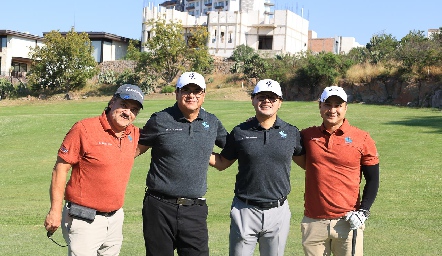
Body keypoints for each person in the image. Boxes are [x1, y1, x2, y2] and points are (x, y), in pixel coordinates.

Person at [44, 84, 144, 255]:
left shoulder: (133, 134)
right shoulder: (84, 129)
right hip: (84, 218)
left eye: (134, 110)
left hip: (115, 219)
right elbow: (60, 169)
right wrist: (54, 210)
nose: (128, 112)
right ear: (112, 102)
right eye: (124, 105)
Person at [209, 79, 305, 256]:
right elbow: (223, 163)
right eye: (261, 97)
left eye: (272, 98)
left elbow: (307, 163)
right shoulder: (240, 132)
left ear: (280, 102)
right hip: (245, 209)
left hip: (278, 211)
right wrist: (199, 149)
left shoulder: (291, 133)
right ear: (253, 99)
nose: (266, 101)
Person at [136, 71, 228, 256]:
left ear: (204, 95)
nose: (191, 95)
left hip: (194, 209)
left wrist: (203, 155)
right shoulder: (160, 119)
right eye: (186, 90)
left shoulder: (211, 122)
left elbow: (230, 152)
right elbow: (134, 151)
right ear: (176, 93)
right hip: (159, 207)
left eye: (197, 91)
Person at [294, 86, 380, 256]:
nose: (332, 110)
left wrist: (364, 211)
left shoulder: (362, 138)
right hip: (314, 221)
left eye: (338, 105)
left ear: (345, 107)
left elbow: (373, 179)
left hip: (348, 222)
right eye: (327, 104)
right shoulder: (306, 136)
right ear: (320, 106)